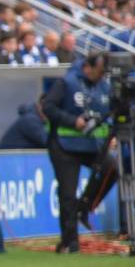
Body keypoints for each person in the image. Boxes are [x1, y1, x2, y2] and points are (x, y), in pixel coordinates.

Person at [42, 53, 118, 253]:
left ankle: (85, 206)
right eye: (100, 71)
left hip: (91, 145)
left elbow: (109, 113)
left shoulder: (104, 87)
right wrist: (71, 121)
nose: (102, 76)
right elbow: (47, 107)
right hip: (64, 145)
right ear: (88, 67)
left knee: (113, 167)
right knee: (67, 193)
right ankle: (70, 242)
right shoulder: (66, 82)